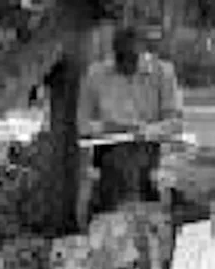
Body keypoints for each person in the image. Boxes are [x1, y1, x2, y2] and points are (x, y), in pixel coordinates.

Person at [78, 24, 186, 222]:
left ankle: (129, 215)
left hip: (151, 147)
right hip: (108, 150)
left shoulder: (163, 72)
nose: (126, 66)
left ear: (142, 52)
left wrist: (150, 130)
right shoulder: (96, 74)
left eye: (131, 60)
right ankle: (126, 216)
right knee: (120, 159)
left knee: (135, 160)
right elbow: (83, 123)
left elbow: (175, 121)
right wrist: (108, 127)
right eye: (121, 60)